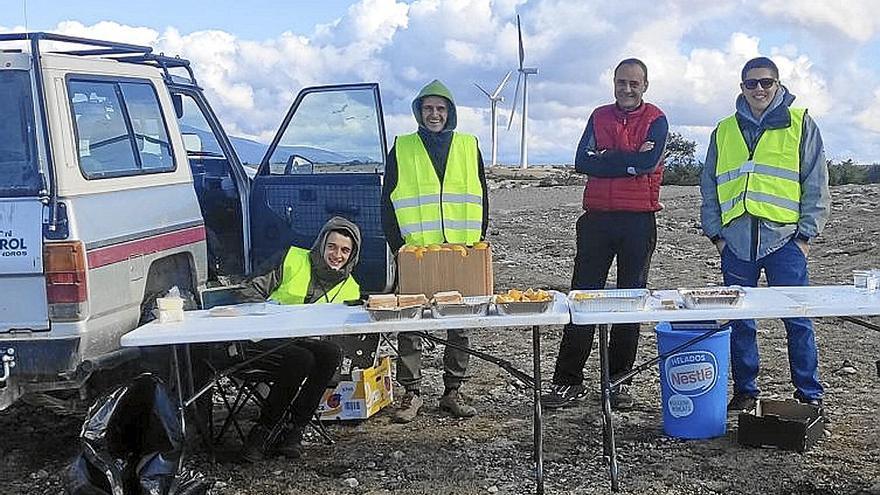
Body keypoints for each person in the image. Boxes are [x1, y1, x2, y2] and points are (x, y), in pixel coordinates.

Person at [700, 57, 830, 412]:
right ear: (741, 87)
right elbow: (709, 185)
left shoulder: (800, 123)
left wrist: (804, 238)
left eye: (766, 82)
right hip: (736, 244)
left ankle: (809, 394)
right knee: (741, 320)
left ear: (778, 84)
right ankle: (745, 390)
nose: (759, 89)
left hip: (785, 241)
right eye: (751, 83)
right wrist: (717, 236)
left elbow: (816, 182)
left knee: (797, 320)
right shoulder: (724, 130)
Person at [542, 58, 668, 411]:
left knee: (630, 302)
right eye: (620, 82)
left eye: (634, 83)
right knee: (581, 299)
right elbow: (582, 161)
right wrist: (627, 160)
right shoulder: (599, 115)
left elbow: (647, 163)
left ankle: (619, 382)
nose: (626, 89)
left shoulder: (656, 119)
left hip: (638, 222)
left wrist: (608, 158)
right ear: (613, 83)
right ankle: (567, 381)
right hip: (596, 219)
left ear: (645, 85)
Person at [381, 79, 489, 423]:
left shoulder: (469, 146)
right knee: (411, 322)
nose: (434, 114)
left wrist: (476, 242)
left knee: (460, 323)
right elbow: (387, 202)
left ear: (450, 112)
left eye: (441, 108)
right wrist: (399, 247)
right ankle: (411, 393)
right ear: (418, 111)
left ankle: (453, 391)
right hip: (416, 252)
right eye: (428, 108)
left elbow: (482, 197)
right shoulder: (402, 147)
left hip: (461, 251)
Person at [238, 216, 362, 462]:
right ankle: (262, 431)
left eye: (345, 250)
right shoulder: (291, 259)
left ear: (352, 255)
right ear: (321, 244)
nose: (337, 255)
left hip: (301, 341)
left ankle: (294, 429)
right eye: (332, 246)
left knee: (330, 354)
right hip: (260, 339)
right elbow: (247, 291)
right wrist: (271, 318)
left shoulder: (351, 287)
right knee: (301, 358)